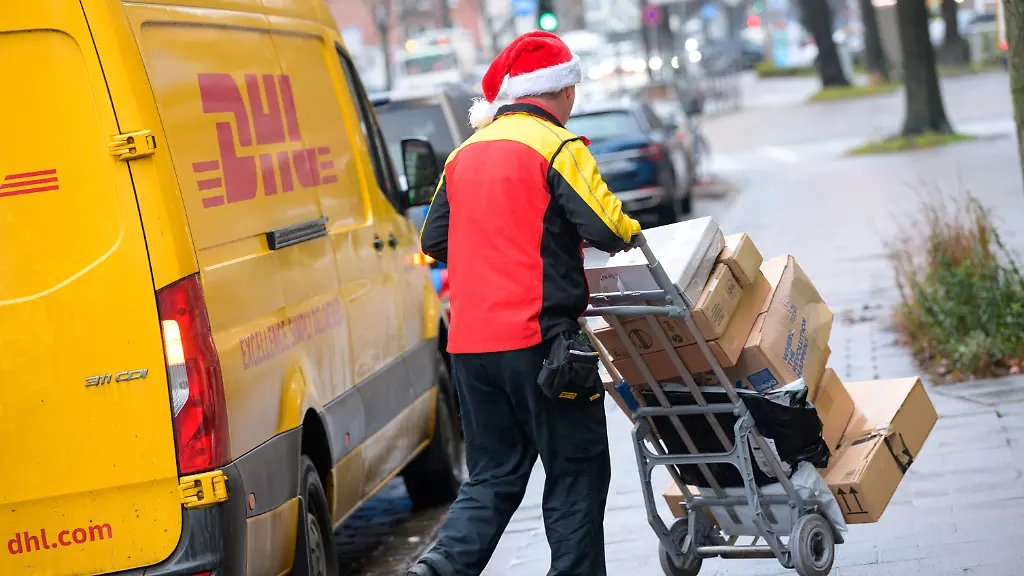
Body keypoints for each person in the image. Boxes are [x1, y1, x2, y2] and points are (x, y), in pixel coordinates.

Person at [411, 31, 642, 576]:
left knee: (493, 475)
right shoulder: (557, 146)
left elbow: (433, 239)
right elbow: (607, 227)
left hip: (471, 350)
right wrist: (633, 230)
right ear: (563, 89)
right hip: (543, 344)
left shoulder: (464, 154)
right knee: (576, 470)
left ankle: (439, 568)